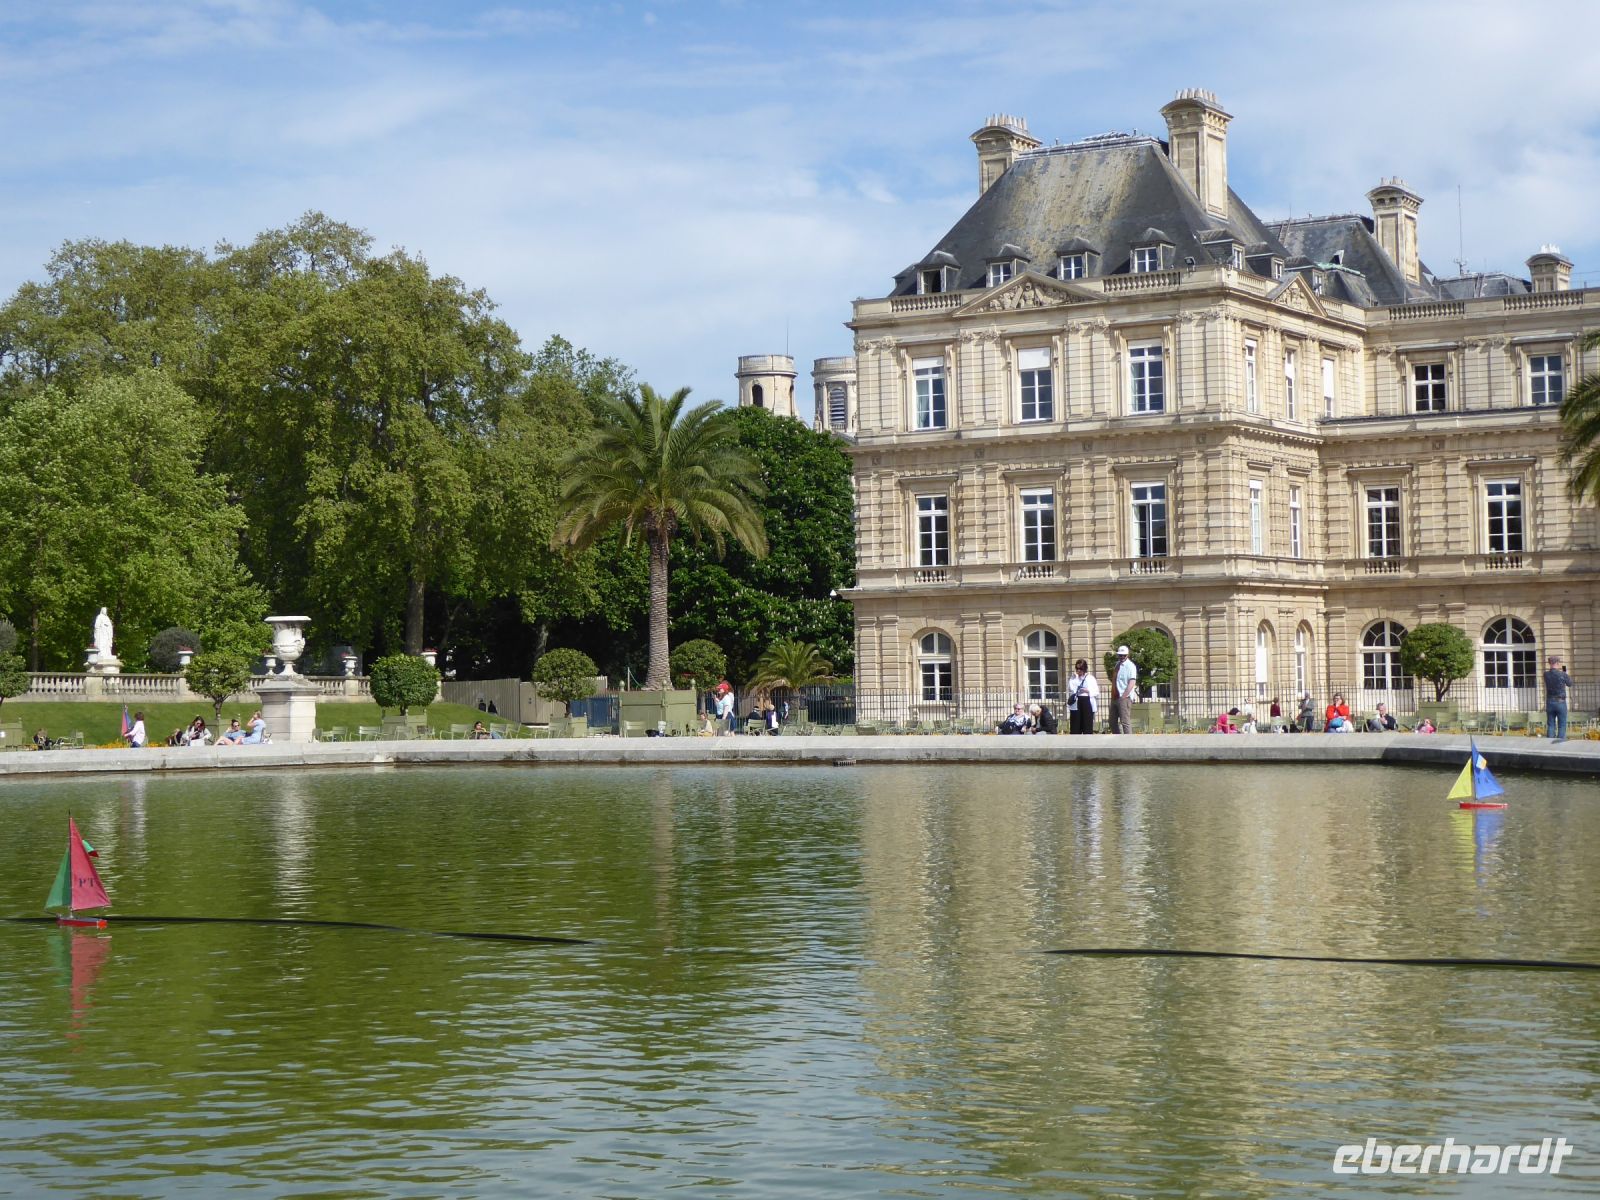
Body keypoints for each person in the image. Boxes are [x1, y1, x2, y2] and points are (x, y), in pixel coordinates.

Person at [1065, 659, 1099, 735]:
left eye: (1081, 669)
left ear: (1085, 669)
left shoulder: (1090, 678)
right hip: (1076, 702)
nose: (1078, 671)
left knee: (1087, 726)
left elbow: (1096, 691)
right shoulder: (1073, 678)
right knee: (1075, 727)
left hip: (1087, 701)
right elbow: (1071, 689)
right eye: (1077, 668)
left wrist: (1087, 691)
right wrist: (1076, 678)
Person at [1544, 653, 1573, 742]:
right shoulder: (1562, 674)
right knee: (1562, 724)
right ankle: (1559, 744)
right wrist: (1565, 673)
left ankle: (1548, 744)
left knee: (1551, 724)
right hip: (1560, 702)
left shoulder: (1545, 674)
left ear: (1549, 663)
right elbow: (1570, 684)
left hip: (1550, 702)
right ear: (1557, 663)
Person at [1112, 645, 1137, 735]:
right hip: (1115, 696)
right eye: (1120, 655)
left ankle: (1129, 743)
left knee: (1125, 721)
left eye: (1124, 655)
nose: (1122, 657)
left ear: (1127, 655)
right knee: (1112, 721)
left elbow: (1132, 682)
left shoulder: (1130, 666)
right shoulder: (1117, 664)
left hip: (1124, 697)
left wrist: (1124, 695)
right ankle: (1118, 740)